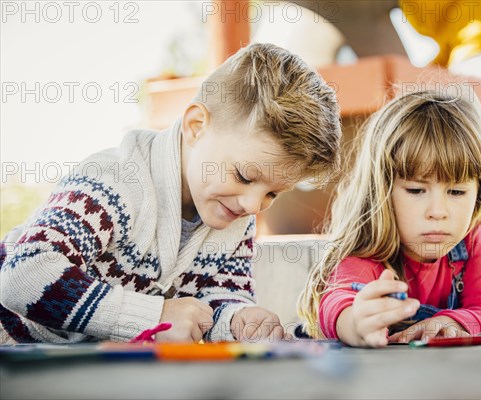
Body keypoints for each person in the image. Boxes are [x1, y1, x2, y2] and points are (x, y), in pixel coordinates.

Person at [0, 43, 342, 344]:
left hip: (81, 364)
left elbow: (217, 300)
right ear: (197, 126)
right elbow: (23, 276)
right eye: (243, 175)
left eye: (273, 194)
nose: (253, 205)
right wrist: (152, 316)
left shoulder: (232, 211)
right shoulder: (114, 179)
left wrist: (238, 319)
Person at [298, 89, 481, 347]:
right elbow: (337, 303)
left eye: (456, 191)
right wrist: (356, 323)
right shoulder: (369, 247)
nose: (438, 211)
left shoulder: (468, 242)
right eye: (416, 190)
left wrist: (454, 323)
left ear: (478, 194)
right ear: (381, 191)